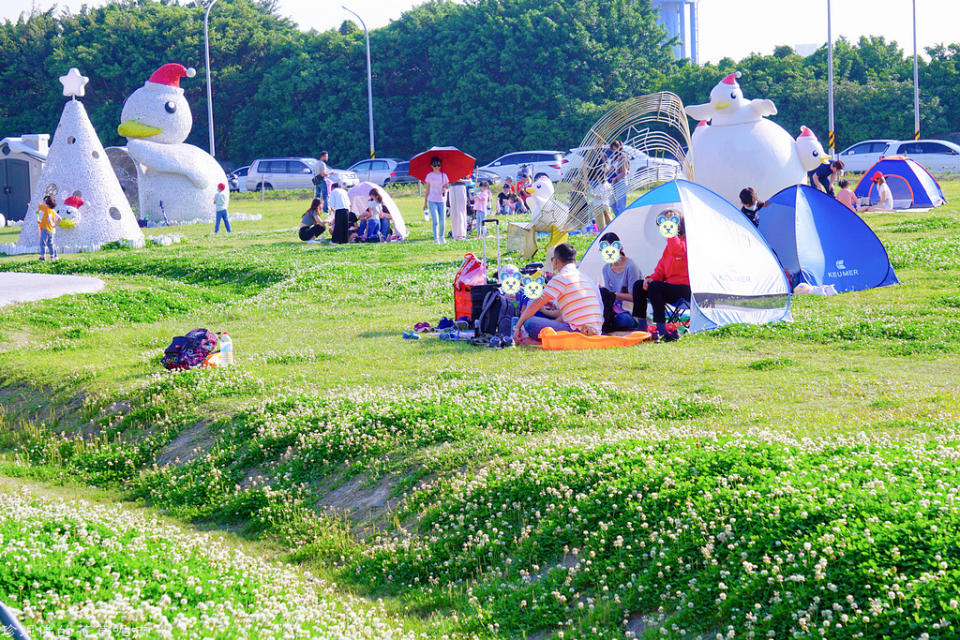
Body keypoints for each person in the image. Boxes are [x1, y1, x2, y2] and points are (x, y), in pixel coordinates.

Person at [513, 243, 603, 342]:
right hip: (595, 330)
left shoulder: (561, 277)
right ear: (574, 261)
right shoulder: (583, 277)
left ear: (555, 261)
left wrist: (517, 326)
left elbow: (536, 304)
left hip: (578, 331)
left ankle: (539, 340)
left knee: (529, 323)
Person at [642, 208, 690, 343]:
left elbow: (678, 252)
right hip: (670, 287)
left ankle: (661, 328)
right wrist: (650, 278)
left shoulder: (688, 241)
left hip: (686, 288)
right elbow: (661, 270)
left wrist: (671, 230)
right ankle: (641, 327)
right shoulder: (669, 245)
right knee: (640, 285)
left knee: (655, 287)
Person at [597, 232, 642, 333]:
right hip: (613, 310)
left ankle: (607, 323)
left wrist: (612, 295)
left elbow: (635, 297)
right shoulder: (606, 268)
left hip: (630, 312)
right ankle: (607, 322)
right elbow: (609, 295)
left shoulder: (631, 266)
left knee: (623, 320)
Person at [422, 156, 449, 244]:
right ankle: (436, 238)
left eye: (438, 165)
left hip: (442, 200)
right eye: (435, 165)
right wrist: (425, 203)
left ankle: (442, 236)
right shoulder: (429, 176)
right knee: (435, 220)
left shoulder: (443, 175)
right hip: (432, 200)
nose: (437, 167)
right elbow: (427, 190)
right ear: (431, 166)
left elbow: (447, 187)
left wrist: (445, 190)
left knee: (442, 220)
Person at [608, 140, 630, 216]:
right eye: (612, 150)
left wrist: (616, 178)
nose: (613, 151)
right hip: (615, 182)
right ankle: (618, 220)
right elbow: (612, 169)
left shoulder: (623, 156)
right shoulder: (615, 157)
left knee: (621, 205)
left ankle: (622, 222)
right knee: (612, 203)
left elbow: (624, 173)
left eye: (614, 149)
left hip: (621, 182)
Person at [36, 194, 60, 261]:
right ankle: (52, 256)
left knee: (42, 243)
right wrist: (54, 225)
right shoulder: (52, 211)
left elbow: (39, 205)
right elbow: (59, 219)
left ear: (47, 203)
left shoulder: (46, 209)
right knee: (50, 243)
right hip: (51, 230)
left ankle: (43, 256)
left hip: (45, 229)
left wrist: (40, 204)